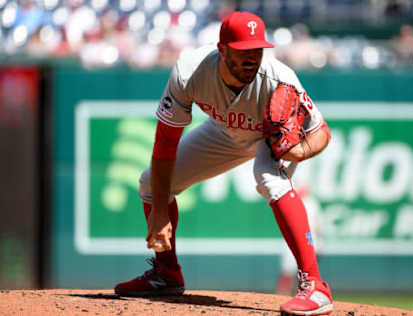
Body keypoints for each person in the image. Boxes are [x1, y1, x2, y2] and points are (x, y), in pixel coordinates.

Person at [113, 11, 333, 316]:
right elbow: (165, 143)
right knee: (151, 184)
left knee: (268, 176)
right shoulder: (189, 72)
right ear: (222, 49)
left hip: (263, 136)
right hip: (222, 132)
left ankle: (315, 286)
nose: (252, 58)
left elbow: (321, 132)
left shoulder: (278, 78)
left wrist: (299, 151)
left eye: (257, 50)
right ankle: (166, 274)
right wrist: (160, 210)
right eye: (243, 51)